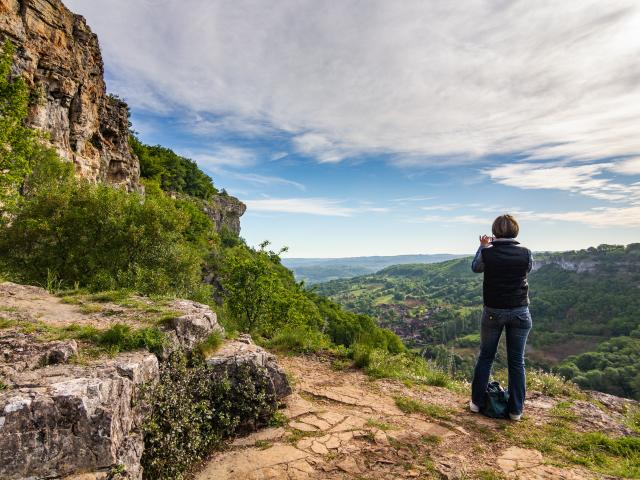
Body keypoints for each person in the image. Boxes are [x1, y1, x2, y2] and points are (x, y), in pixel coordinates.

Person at [469, 214, 533, 421]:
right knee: (516, 362)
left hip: (493, 312)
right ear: (516, 231)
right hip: (520, 311)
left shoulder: (488, 253)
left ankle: (477, 404)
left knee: (486, 357)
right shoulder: (525, 253)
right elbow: (527, 269)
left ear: (494, 232)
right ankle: (516, 411)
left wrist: (483, 246)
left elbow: (475, 268)